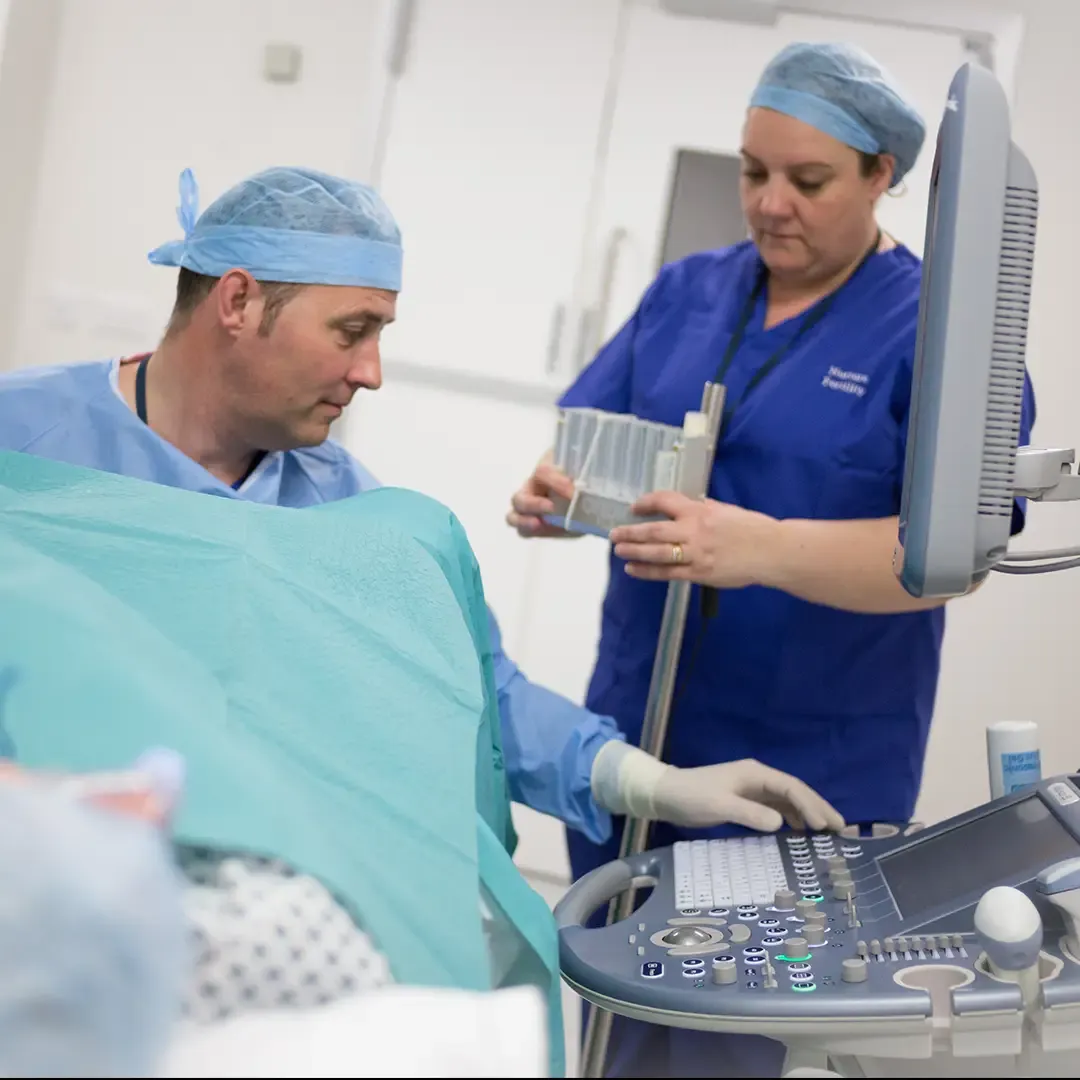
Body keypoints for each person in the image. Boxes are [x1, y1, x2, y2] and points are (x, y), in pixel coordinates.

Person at [0, 167, 843, 859]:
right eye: (351, 330)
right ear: (238, 302)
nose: (371, 372)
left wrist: (652, 783)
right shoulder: (24, 442)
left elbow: (476, 692)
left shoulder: (347, 511)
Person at [507, 41, 1038, 1077]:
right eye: (753, 172)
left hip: (809, 763)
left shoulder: (938, 336)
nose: (769, 203)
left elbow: (953, 559)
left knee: (732, 1038)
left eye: (808, 180)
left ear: (883, 174)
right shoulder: (688, 290)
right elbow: (591, 446)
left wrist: (759, 548)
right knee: (615, 1016)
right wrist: (561, 498)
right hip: (641, 737)